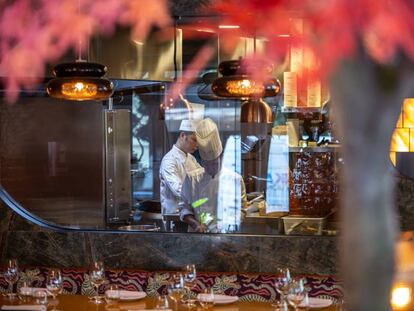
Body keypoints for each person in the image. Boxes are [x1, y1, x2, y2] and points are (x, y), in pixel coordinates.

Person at [179, 118, 247, 233]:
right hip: (197, 238)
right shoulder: (191, 179)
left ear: (221, 157)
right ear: (202, 161)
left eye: (214, 163)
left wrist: (229, 224)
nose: (211, 168)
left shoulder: (235, 179)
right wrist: (195, 224)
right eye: (207, 164)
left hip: (226, 237)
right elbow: (184, 208)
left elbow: (241, 210)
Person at [159, 120, 202, 219]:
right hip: (175, 217)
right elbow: (178, 189)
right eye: (194, 140)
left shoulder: (191, 158)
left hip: (192, 214)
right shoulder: (169, 160)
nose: (197, 145)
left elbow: (203, 178)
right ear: (183, 135)